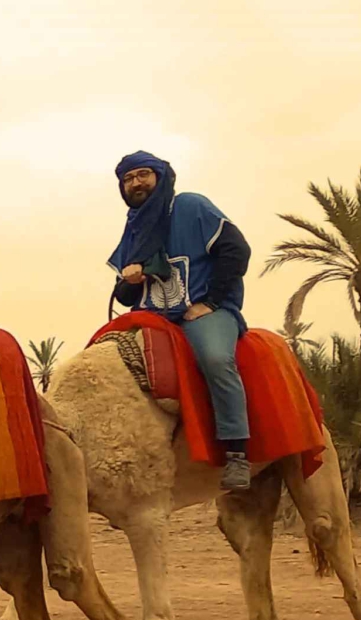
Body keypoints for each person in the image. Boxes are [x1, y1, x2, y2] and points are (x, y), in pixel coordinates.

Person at [109, 151, 254, 490]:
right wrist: (129, 280)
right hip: (150, 317)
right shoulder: (134, 229)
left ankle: (237, 453)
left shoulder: (190, 206)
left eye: (142, 175)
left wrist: (211, 301)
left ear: (160, 177)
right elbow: (125, 297)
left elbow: (237, 251)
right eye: (128, 179)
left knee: (216, 359)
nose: (135, 183)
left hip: (201, 312)